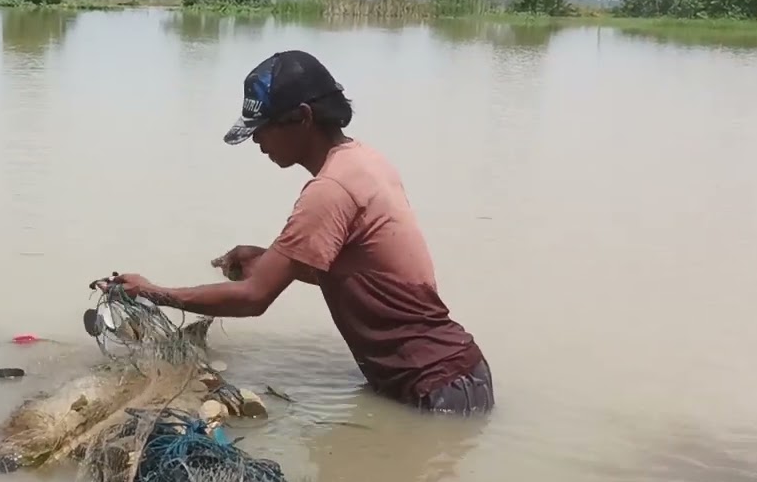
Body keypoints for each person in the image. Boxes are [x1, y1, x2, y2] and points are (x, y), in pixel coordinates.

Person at [106, 50, 493, 415]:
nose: (257, 142)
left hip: (435, 388)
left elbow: (252, 299)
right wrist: (266, 259)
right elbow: (363, 273)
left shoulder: (329, 190)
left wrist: (151, 292)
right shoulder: (364, 161)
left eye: (264, 130)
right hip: (456, 375)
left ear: (304, 118)